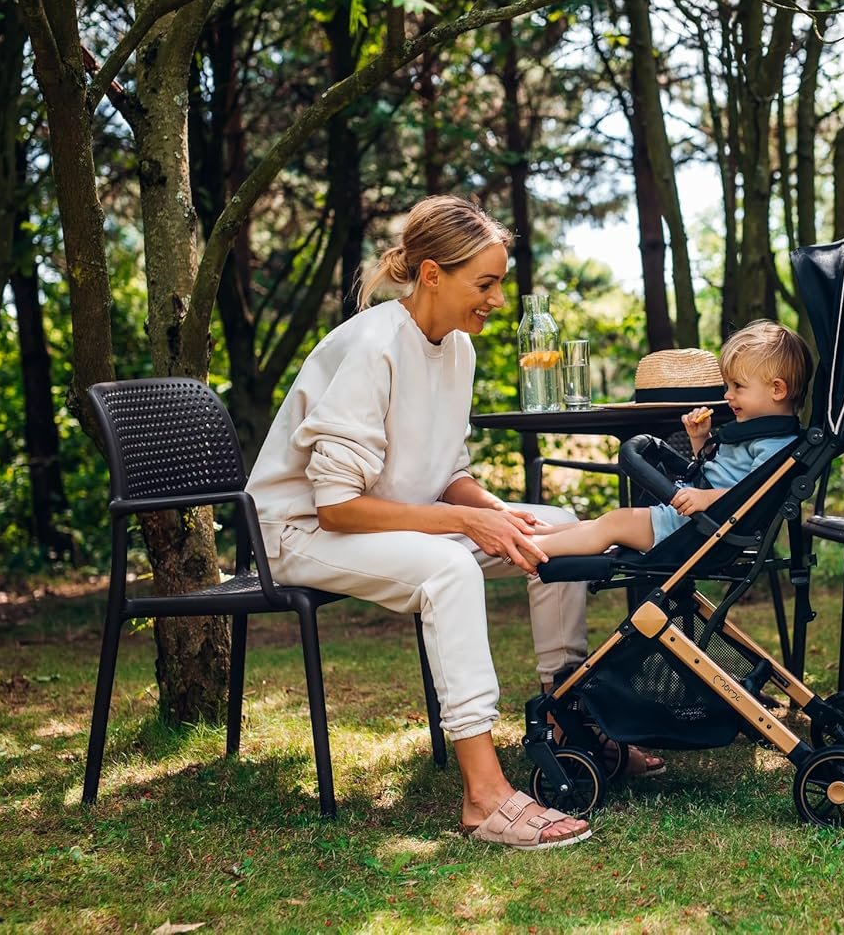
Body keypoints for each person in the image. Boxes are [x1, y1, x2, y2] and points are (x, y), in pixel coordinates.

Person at [246, 195, 649, 849]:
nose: (497, 300)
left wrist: (496, 513)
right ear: (432, 274)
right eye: (484, 284)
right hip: (301, 534)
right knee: (450, 569)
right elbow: (336, 505)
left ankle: (569, 721)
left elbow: (446, 470)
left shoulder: (457, 347)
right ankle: (483, 796)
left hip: (385, 520)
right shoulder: (372, 344)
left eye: (499, 283)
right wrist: (464, 522)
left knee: (554, 527)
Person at [532, 320, 809, 559]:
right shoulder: (756, 431)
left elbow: (756, 497)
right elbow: (716, 475)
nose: (728, 395)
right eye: (728, 386)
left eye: (738, 386)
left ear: (777, 389)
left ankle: (531, 548)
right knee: (607, 521)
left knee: (614, 523)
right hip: (696, 520)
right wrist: (700, 439)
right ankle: (539, 536)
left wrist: (705, 498)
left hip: (704, 529)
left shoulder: (776, 446)